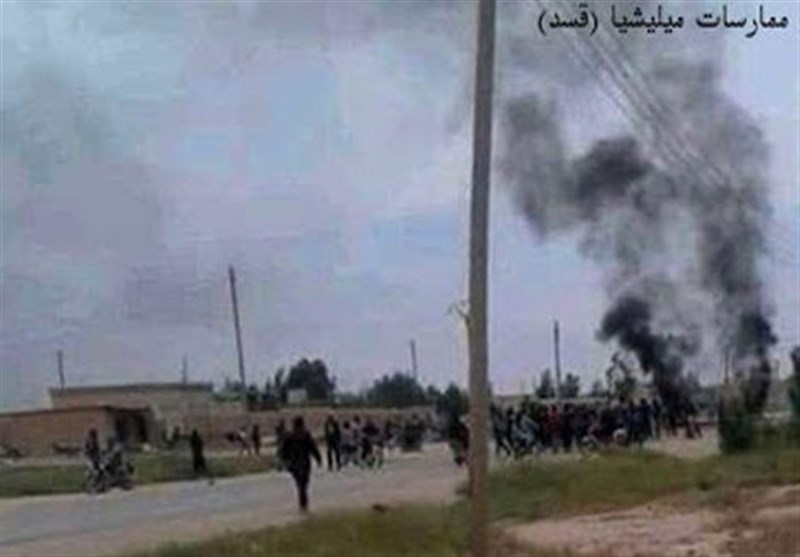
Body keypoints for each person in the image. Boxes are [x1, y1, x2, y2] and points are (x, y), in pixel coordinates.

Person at [279, 416, 322, 513]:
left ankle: (302, 502)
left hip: (294, 463)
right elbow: (313, 447)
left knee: (299, 483)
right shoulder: (306, 435)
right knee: (304, 484)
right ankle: (303, 503)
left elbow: (284, 450)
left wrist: (284, 461)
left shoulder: (290, 435)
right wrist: (318, 459)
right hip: (305, 462)